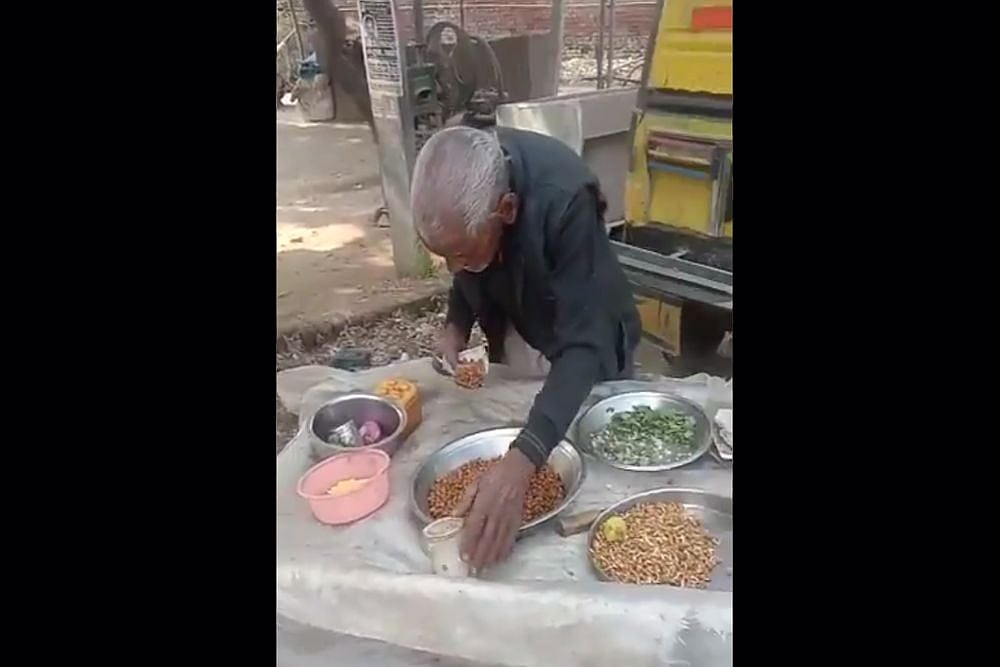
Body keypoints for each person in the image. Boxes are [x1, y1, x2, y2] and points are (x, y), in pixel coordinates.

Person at [410, 125, 641, 572]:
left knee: (602, 446)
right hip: (525, 314)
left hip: (585, 319)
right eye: (444, 258)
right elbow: (466, 266)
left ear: (508, 209)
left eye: (461, 255)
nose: (454, 269)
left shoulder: (565, 198)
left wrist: (525, 459)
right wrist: (456, 322)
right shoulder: (467, 180)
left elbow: (582, 344)